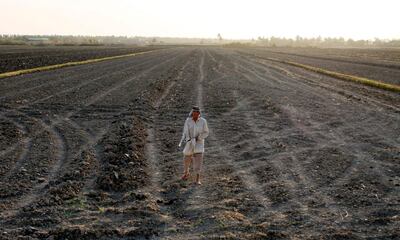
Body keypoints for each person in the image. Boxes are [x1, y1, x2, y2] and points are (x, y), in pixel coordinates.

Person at [178, 105, 209, 185]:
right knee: (186, 158)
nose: (194, 114)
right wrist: (189, 139)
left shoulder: (203, 121)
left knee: (198, 160)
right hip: (190, 142)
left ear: (199, 113)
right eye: (193, 112)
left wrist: (199, 137)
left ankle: (197, 179)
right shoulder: (188, 121)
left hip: (199, 143)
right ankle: (186, 173)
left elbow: (206, 132)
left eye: (196, 112)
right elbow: (185, 131)